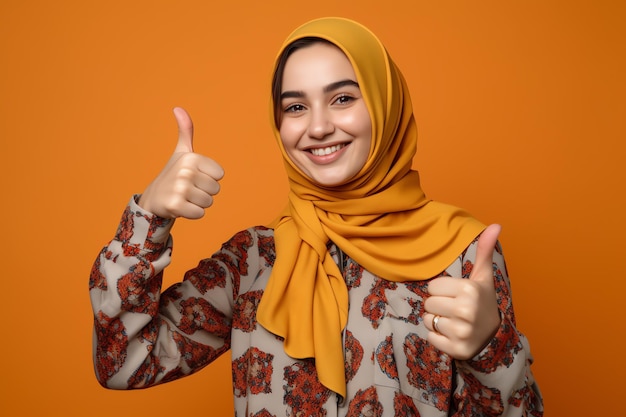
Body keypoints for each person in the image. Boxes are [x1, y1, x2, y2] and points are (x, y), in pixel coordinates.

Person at [89, 17, 543, 416]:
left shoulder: (462, 253)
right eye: (295, 106)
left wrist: (490, 349)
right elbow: (123, 363)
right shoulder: (253, 262)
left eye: (343, 98)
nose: (319, 126)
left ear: (386, 106)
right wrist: (146, 220)